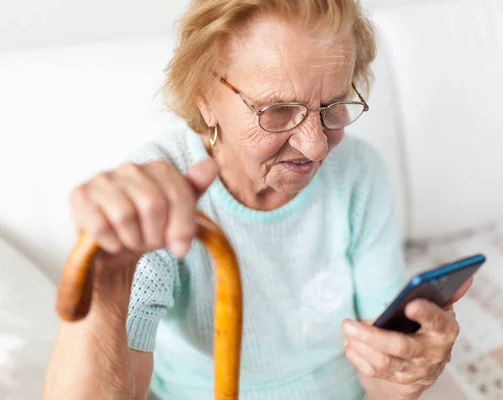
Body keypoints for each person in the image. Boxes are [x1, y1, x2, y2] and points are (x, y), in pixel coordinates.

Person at [43, 0, 471, 399]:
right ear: (204, 98)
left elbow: (379, 377)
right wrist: (108, 288)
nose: (317, 147)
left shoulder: (359, 173)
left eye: (334, 104)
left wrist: (407, 372)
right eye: (278, 109)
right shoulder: (161, 198)